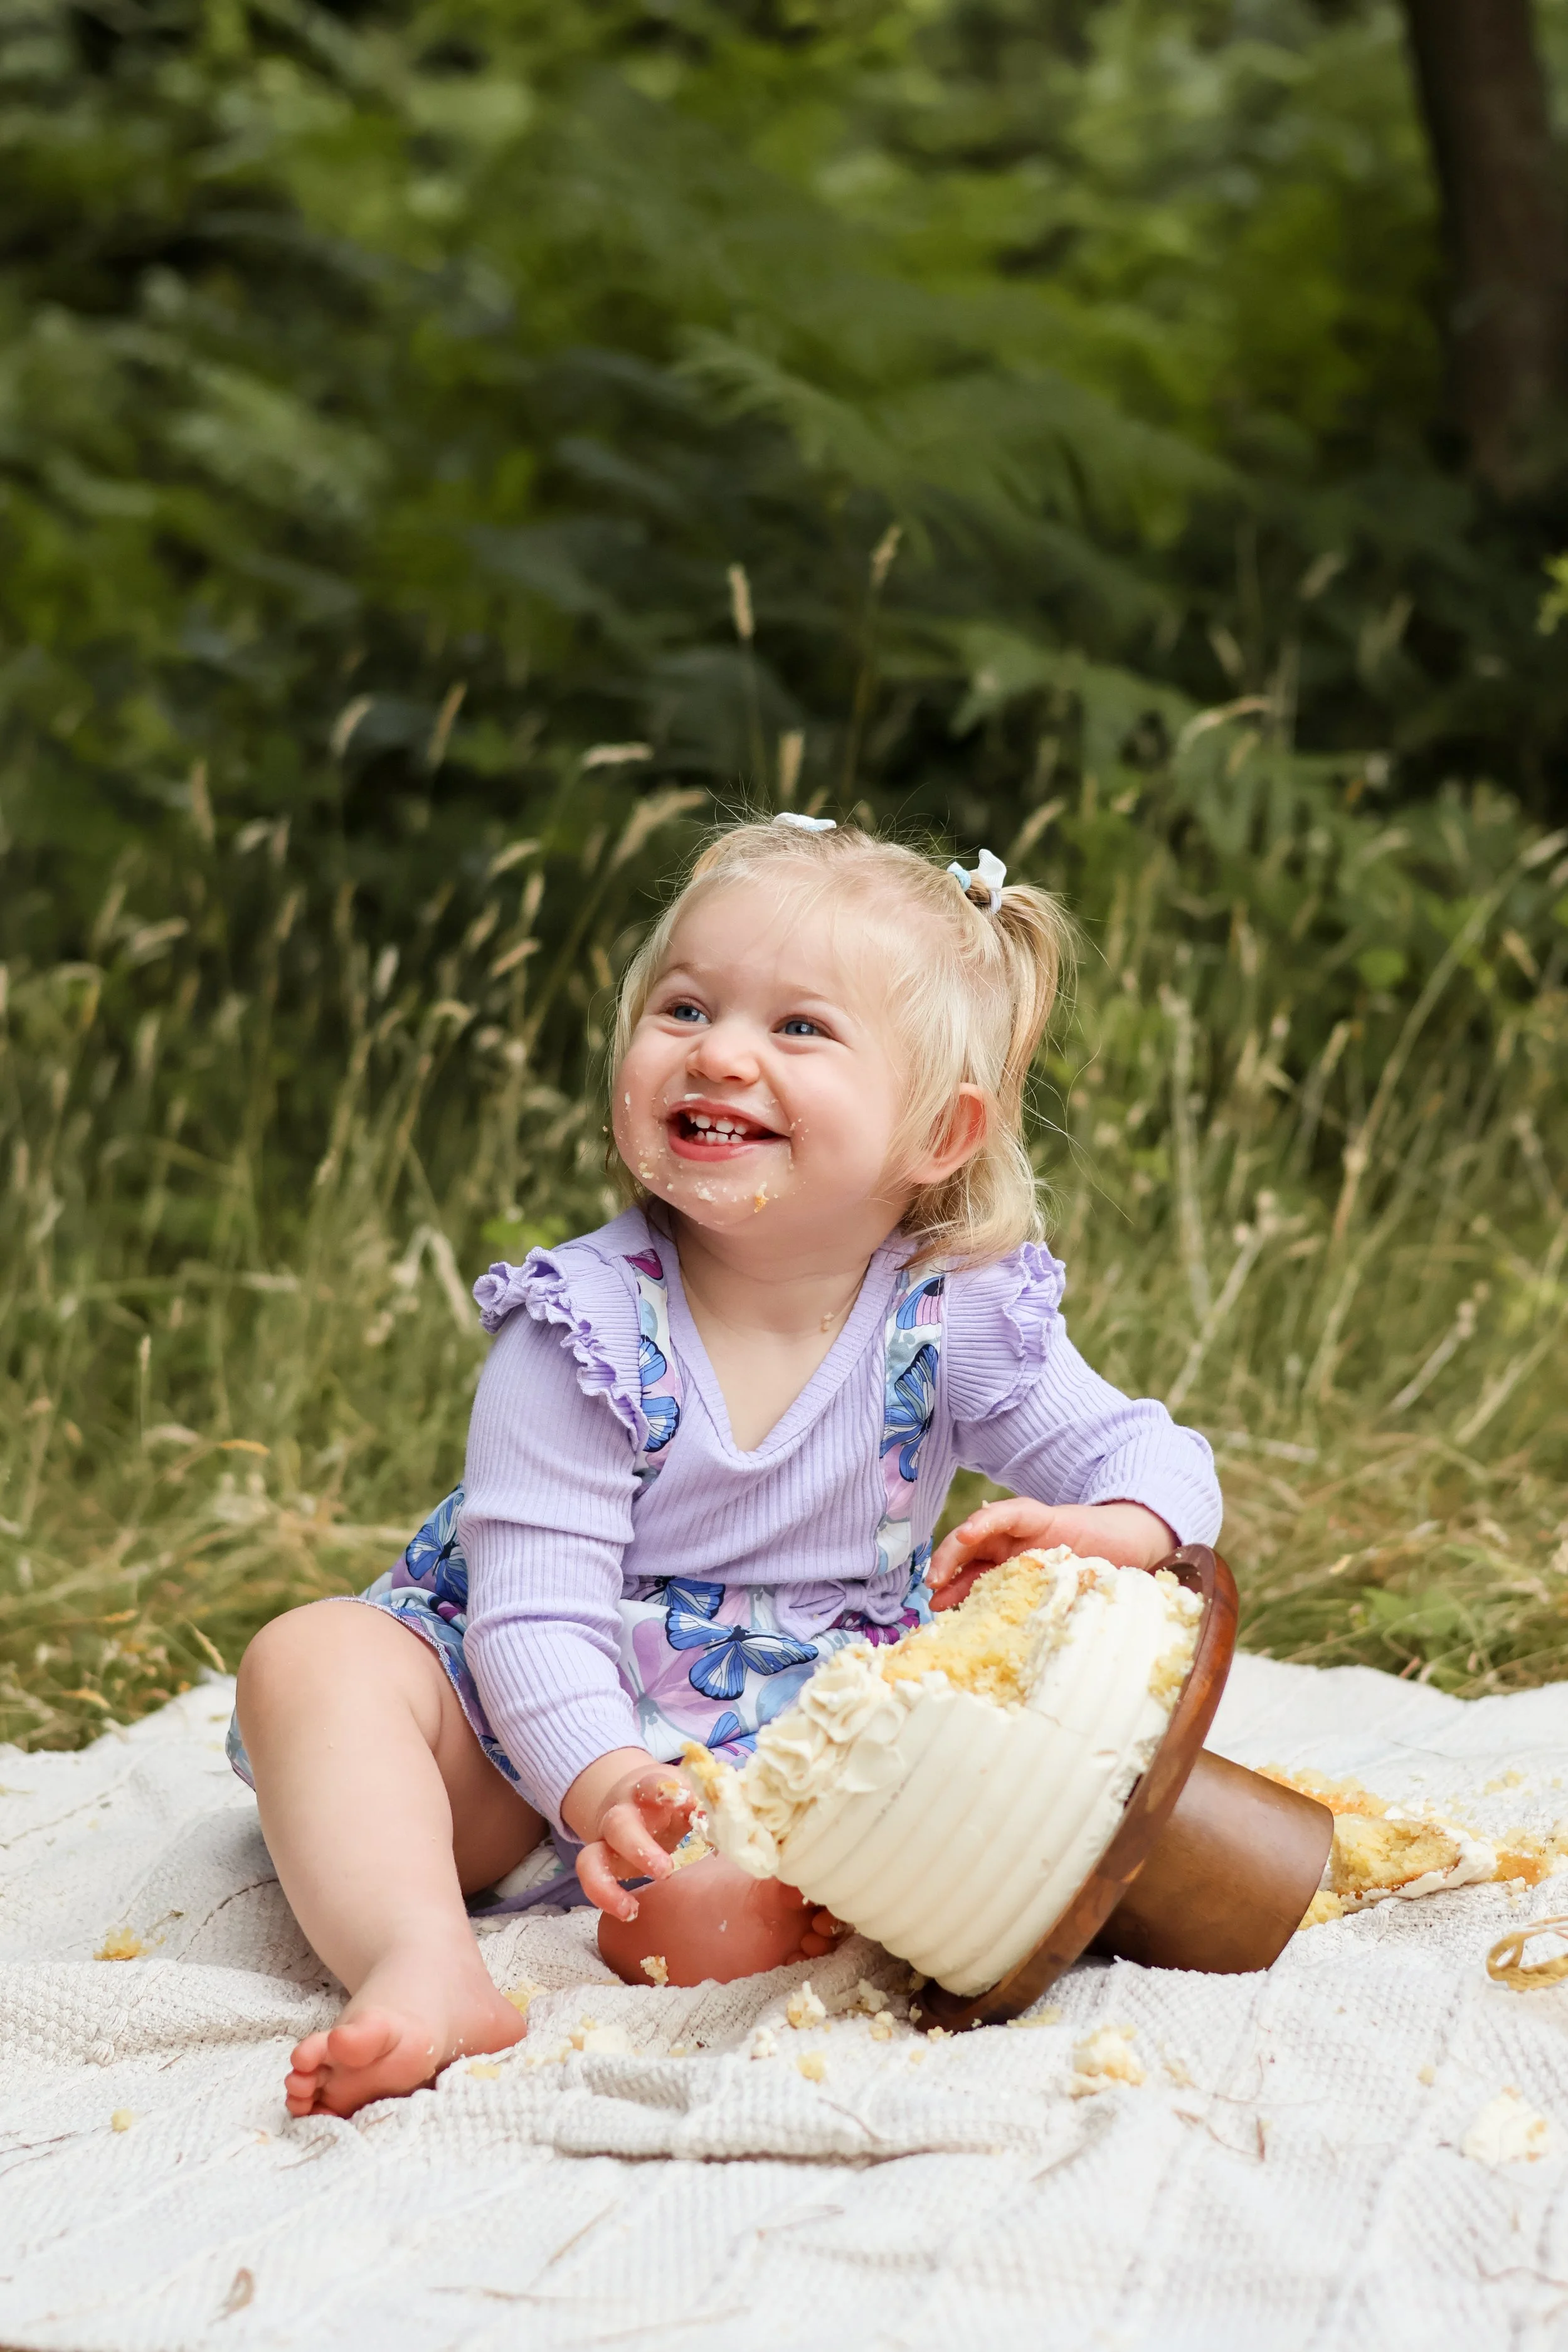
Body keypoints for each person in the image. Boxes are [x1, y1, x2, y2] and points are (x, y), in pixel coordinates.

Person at [233, 815, 1222, 2117]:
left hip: (789, 1747)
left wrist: (1130, 1528)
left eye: (798, 1029)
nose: (720, 1051)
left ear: (939, 1131)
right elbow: (531, 1605)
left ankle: (709, 1914)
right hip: (524, 1725)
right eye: (684, 1007)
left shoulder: (954, 1313)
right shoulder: (580, 1327)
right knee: (312, 1661)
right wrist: (603, 1785)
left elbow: (1149, 1452)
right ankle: (421, 1956)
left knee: (767, 1896)